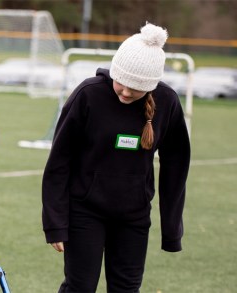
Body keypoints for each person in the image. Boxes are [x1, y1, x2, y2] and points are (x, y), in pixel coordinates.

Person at [41, 22, 191, 292]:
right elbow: (59, 163)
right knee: (80, 286)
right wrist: (55, 223)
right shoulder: (88, 95)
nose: (125, 92)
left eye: (135, 88)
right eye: (121, 83)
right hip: (84, 212)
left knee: (126, 288)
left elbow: (176, 164)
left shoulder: (167, 102)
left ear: (151, 85)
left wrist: (171, 229)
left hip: (134, 215)